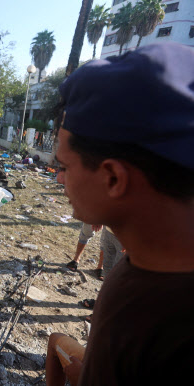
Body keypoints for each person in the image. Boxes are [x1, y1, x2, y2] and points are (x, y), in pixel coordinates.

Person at [44, 42, 194, 385]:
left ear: (113, 177)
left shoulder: (150, 317)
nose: (60, 179)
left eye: (64, 166)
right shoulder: (140, 266)